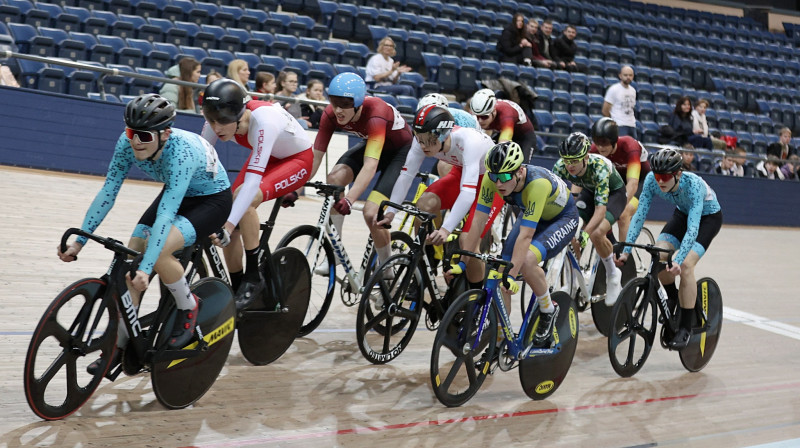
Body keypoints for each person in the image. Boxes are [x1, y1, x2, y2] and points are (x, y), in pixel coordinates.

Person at [58, 94, 233, 372]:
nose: (135, 141)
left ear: (165, 134)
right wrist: (80, 241)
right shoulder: (126, 143)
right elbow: (108, 191)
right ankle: (119, 344)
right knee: (133, 252)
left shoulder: (181, 152)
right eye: (131, 132)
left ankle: (189, 305)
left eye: (143, 136)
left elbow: (166, 213)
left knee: (158, 250)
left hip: (211, 200)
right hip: (177, 191)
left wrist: (148, 267)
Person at [200, 79, 313, 305]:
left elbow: (251, 185)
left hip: (297, 160)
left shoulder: (265, 122)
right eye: (211, 121)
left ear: (239, 114)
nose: (217, 128)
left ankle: (253, 276)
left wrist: (228, 227)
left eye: (222, 122)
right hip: (270, 156)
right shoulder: (219, 118)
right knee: (227, 211)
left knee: (244, 199)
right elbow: (199, 156)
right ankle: (237, 286)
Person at [458, 141, 579, 346]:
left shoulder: (538, 184)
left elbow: (525, 236)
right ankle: (500, 338)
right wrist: (463, 262)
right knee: (502, 268)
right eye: (494, 177)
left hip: (562, 218)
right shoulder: (492, 179)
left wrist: (512, 276)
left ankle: (548, 309)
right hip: (533, 213)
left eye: (504, 177)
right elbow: (478, 221)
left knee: (526, 261)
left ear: (520, 171)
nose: (498, 183)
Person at [377, 105, 497, 291]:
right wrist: (391, 212)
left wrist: (446, 229)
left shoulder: (469, 141)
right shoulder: (424, 138)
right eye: (420, 139)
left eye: (428, 140)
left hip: (492, 183)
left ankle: (475, 298)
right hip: (462, 173)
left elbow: (468, 193)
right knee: (423, 205)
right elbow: (406, 175)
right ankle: (423, 265)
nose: (423, 145)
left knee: (468, 242)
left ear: (443, 135)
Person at [616, 148, 723, 349]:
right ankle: (673, 298)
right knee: (659, 253)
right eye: (657, 176)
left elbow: (693, 229)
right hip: (682, 214)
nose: (660, 181)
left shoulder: (692, 186)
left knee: (687, 266)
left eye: (665, 176)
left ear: (678, 174)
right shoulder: (651, 181)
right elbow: (639, 216)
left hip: (707, 219)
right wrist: (627, 250)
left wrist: (679, 259)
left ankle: (685, 328)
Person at [309, 72, 413, 274]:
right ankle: (335, 255)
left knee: (371, 213)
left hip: (400, 153)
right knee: (335, 179)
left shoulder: (376, 113)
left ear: (358, 104)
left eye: (345, 104)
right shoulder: (330, 114)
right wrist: (296, 187)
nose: (338, 110)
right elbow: (316, 157)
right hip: (376, 147)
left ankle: (386, 265)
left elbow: (370, 166)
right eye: (334, 103)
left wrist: (349, 200)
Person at [553, 132, 626, 305]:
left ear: (585, 157)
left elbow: (600, 210)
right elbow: (553, 197)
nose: (569, 165)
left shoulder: (599, 167)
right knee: (572, 230)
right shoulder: (560, 166)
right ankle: (573, 280)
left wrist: (586, 233)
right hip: (589, 192)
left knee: (596, 234)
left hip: (614, 195)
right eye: (566, 160)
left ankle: (613, 274)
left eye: (574, 160)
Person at [590, 117, 650, 245]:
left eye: (605, 142)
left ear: (613, 141)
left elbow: (633, 184)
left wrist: (617, 208)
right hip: (618, 181)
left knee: (623, 214)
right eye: (597, 142)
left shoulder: (630, 146)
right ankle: (611, 245)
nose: (600, 147)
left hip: (640, 180)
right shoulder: (594, 150)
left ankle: (624, 257)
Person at [417, 92, 481, 178]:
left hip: (472, 146)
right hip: (448, 142)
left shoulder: (463, 122)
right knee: (437, 172)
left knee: (443, 166)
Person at [470, 88, 537, 164]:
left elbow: (503, 144)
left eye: (484, 117)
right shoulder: (486, 115)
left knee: (521, 167)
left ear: (494, 111)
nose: (480, 121)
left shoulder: (506, 114)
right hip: (504, 130)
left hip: (525, 137)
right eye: (477, 116)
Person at [603, 65, 637, 139]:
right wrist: (613, 122)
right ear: (620, 75)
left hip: (632, 125)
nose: (628, 77)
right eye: (625, 75)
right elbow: (605, 110)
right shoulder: (614, 89)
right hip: (619, 125)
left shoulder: (633, 90)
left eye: (630, 75)